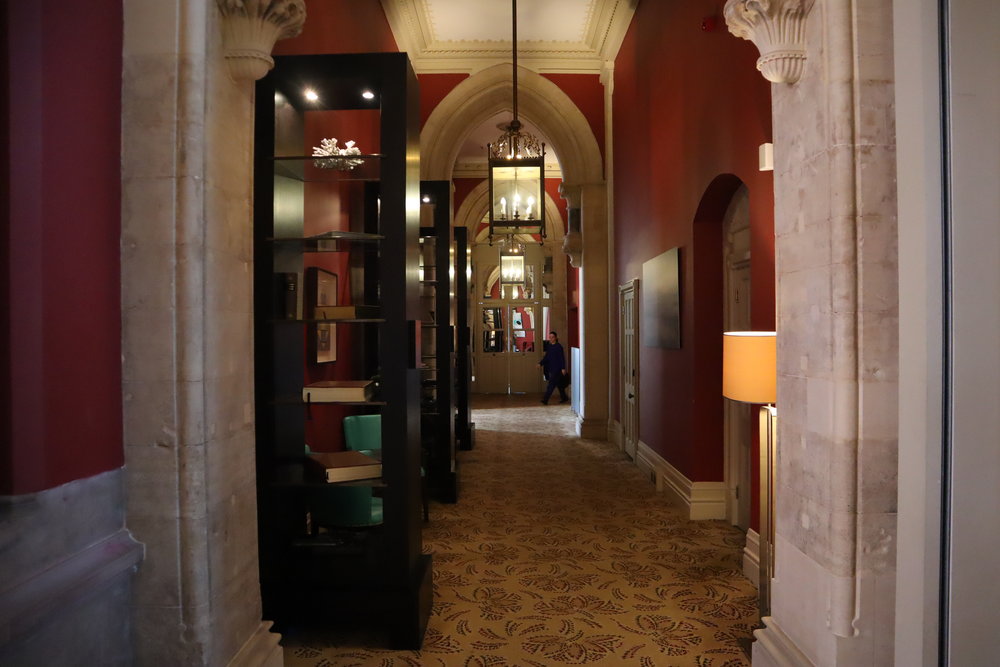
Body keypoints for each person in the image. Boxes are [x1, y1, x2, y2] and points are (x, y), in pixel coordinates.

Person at [538, 331, 568, 405]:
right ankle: (564, 398)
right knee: (559, 385)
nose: (551, 339)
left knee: (551, 385)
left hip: (557, 369)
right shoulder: (549, 346)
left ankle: (545, 399)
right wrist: (541, 363)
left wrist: (563, 368)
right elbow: (547, 357)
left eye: (552, 337)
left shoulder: (558, 347)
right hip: (551, 368)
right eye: (550, 337)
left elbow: (561, 358)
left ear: (555, 338)